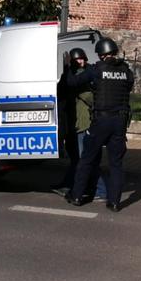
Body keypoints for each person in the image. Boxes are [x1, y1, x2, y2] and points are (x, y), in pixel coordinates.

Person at [65, 38, 134, 212]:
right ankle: (114, 202)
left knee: (86, 159)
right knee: (116, 164)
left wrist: (67, 67)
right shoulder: (126, 71)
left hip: (101, 121)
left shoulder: (97, 70)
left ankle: (77, 196)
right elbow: (127, 88)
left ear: (102, 55)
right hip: (120, 122)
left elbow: (72, 82)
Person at [51, 47, 107, 200]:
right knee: (76, 159)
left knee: (86, 160)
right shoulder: (68, 75)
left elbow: (92, 99)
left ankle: (101, 190)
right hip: (71, 123)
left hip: (84, 123)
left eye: (81, 58)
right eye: (76, 60)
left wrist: (80, 91)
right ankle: (68, 185)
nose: (79, 62)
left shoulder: (88, 74)